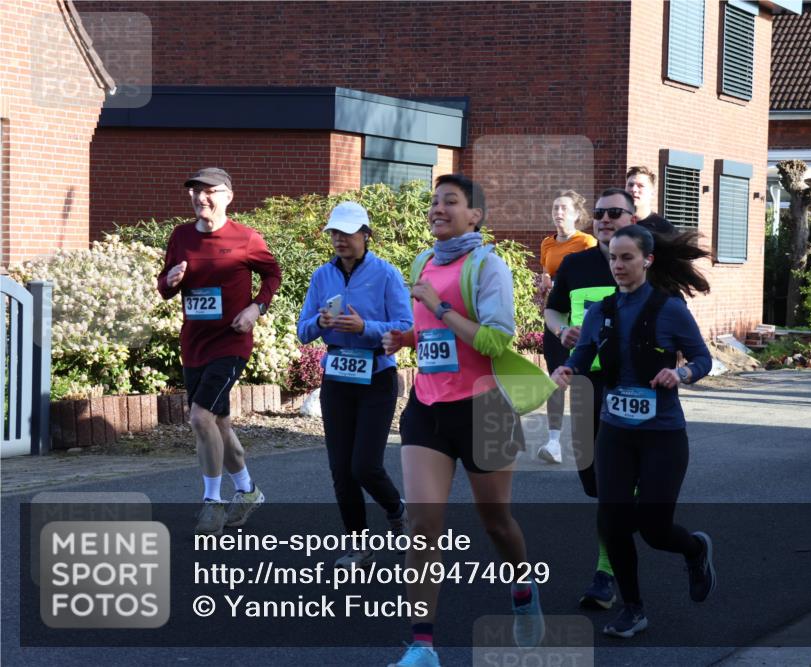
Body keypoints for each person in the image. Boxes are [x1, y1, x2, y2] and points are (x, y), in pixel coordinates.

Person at [382, 174, 544, 667]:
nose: (437, 208)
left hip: (483, 408)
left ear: (475, 216)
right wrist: (408, 339)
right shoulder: (423, 262)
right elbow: (435, 334)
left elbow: (495, 340)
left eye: (449, 201)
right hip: (427, 408)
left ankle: (522, 588)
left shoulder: (488, 266)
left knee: (496, 522)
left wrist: (440, 306)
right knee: (421, 525)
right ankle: (422, 647)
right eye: (434, 201)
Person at [551, 225, 716, 638]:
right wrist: (567, 368)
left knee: (655, 529)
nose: (619, 265)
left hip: (663, 434)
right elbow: (583, 353)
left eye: (627, 258)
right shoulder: (600, 311)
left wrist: (681, 373)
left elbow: (702, 358)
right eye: (613, 258)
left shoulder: (669, 309)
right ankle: (633, 608)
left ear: (648, 260)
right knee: (613, 521)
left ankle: (695, 549)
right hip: (615, 433)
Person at [156, 167, 281, 534]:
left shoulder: (246, 238)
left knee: (199, 418)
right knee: (219, 424)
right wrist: (170, 280)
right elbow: (164, 286)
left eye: (209, 191)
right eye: (195, 191)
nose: (201, 198)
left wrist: (256, 307)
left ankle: (212, 501)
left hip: (231, 342)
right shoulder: (181, 236)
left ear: (228, 196)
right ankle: (248, 490)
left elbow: (272, 274)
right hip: (194, 344)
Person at [297, 201, 412, 567]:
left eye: (347, 233)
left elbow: (406, 326)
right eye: (334, 233)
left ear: (366, 235)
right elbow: (303, 331)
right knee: (341, 469)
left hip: (377, 375)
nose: (339, 239)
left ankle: (397, 510)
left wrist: (366, 328)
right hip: (337, 377)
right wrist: (320, 321)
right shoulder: (322, 276)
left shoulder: (386, 274)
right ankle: (359, 544)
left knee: (364, 465)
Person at [543, 187, 638, 610]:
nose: (605, 219)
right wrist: (561, 329)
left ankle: (605, 572)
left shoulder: (646, 264)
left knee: (613, 483)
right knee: (593, 479)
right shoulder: (575, 264)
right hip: (586, 382)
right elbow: (554, 308)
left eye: (615, 212)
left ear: (632, 220)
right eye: (599, 213)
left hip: (629, 385)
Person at [537, 191, 597, 463]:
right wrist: (545, 286)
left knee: (588, 378)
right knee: (555, 377)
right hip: (557, 320)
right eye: (555, 208)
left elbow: (593, 280)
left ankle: (596, 439)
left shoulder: (586, 242)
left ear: (576, 214)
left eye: (564, 208)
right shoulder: (547, 244)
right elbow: (547, 275)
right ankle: (553, 443)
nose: (558, 213)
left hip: (582, 320)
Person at [625, 166, 675, 234]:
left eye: (640, 186)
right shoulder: (615, 223)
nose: (634, 189)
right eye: (630, 185)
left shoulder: (665, 230)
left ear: (652, 193)